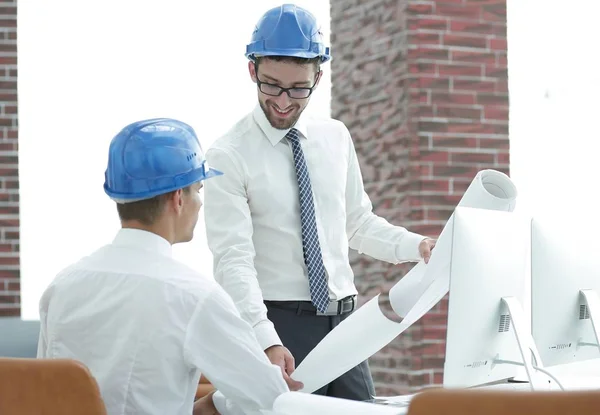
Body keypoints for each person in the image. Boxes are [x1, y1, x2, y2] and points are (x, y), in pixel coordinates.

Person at [203, 3, 437, 402]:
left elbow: (359, 225)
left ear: (318, 76)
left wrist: (419, 247)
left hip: (344, 324)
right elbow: (233, 261)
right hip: (280, 324)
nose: (282, 100)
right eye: (271, 84)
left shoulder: (335, 137)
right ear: (252, 70)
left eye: (298, 88)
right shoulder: (229, 154)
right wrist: (265, 340)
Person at [36, 118, 301, 415]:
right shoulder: (194, 297)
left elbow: (45, 390)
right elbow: (271, 399)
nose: (200, 203)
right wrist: (215, 402)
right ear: (178, 198)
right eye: (198, 189)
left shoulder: (61, 287)